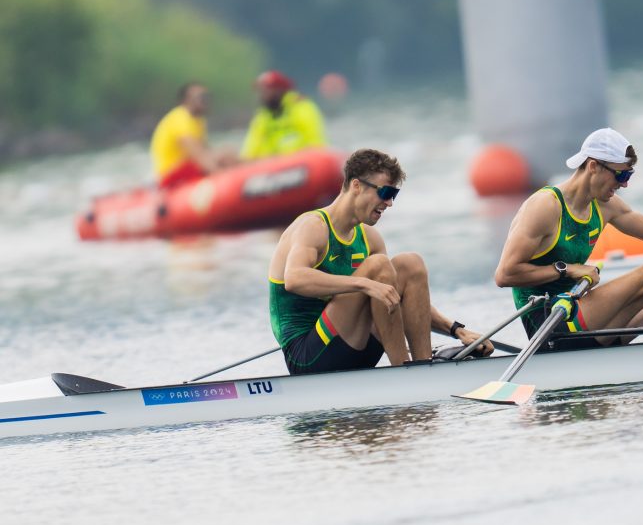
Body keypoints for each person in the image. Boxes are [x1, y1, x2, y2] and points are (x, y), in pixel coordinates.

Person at [494, 127, 643, 349]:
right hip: (549, 323)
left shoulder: (604, 206)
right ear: (594, 166)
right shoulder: (545, 206)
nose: (625, 184)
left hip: (582, 315)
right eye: (621, 175)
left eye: (629, 175)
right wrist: (568, 269)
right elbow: (505, 274)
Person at [268, 148, 494, 374]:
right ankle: (404, 370)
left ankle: (422, 367)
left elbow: (394, 296)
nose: (389, 203)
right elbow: (294, 279)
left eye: (393, 195)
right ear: (356, 186)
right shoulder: (313, 227)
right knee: (379, 266)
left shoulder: (369, 238)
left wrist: (456, 330)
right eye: (385, 192)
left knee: (410, 264)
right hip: (308, 356)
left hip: (354, 343)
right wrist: (365, 283)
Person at [150, 82, 238, 189]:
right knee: (225, 154)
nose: (204, 101)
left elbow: (205, 151)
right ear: (186, 100)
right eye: (200, 97)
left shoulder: (198, 121)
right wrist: (224, 179)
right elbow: (198, 155)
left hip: (188, 169)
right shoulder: (181, 119)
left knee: (227, 154)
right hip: (171, 176)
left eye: (206, 97)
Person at [241, 70, 328, 159]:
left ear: (279, 90)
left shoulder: (301, 107)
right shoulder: (262, 117)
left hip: (304, 160)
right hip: (273, 165)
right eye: (261, 91)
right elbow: (251, 148)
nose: (262, 95)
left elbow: (315, 139)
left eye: (267, 90)